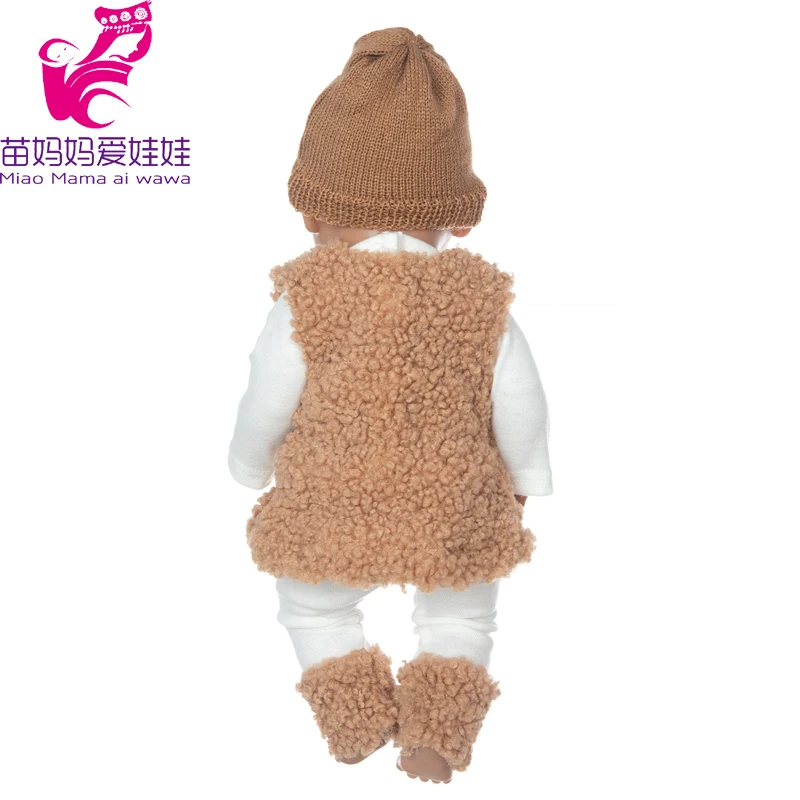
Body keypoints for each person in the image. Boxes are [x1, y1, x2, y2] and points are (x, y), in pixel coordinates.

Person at [229, 27, 552, 784]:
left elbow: (267, 396)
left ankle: (356, 718)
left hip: (333, 510)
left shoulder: (305, 295)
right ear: (461, 216)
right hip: (451, 509)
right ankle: (437, 730)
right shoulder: (482, 298)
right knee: (461, 615)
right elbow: (520, 398)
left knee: (314, 608)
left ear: (311, 212)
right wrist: (524, 481)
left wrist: (248, 467)